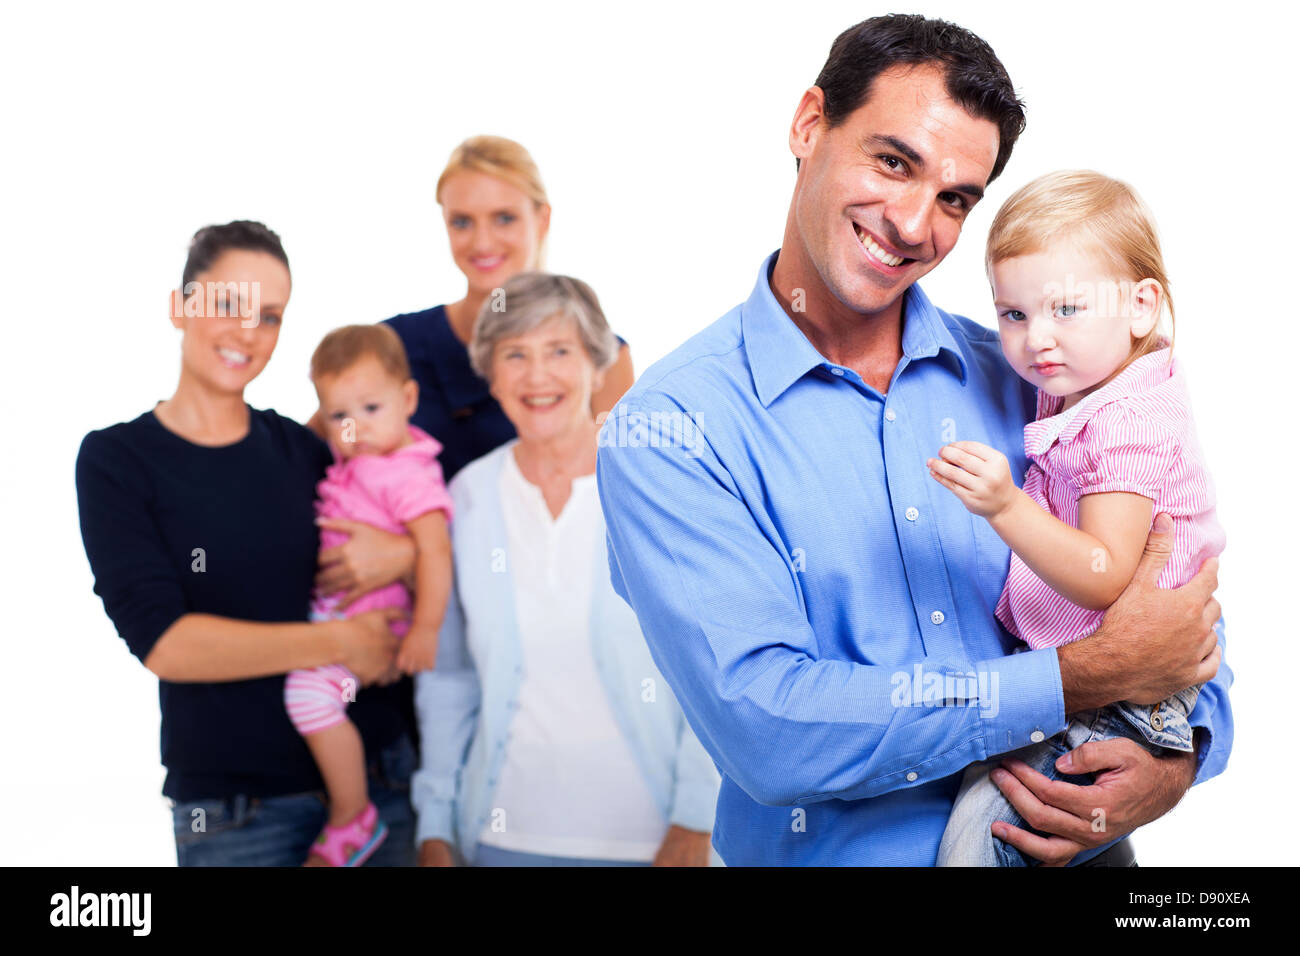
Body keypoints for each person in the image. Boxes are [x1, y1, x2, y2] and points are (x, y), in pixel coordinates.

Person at [596, 15, 1232, 866]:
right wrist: (1080, 677)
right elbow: (770, 727)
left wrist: (1179, 756)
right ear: (809, 125)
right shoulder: (669, 430)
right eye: (893, 162)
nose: (911, 223)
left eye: (954, 198)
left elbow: (1169, 598)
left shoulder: (1034, 378)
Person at [76, 221, 418, 866]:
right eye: (227, 303)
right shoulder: (118, 460)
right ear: (180, 307)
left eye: (270, 315)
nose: (247, 332)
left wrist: (406, 557)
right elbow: (169, 645)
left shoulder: (306, 450)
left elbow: (406, 532)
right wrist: (343, 642)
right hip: (237, 815)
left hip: (381, 786)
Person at [930, 171, 1225, 865]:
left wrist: (1005, 506)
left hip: (1115, 701)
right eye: (1014, 314)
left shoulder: (1126, 421)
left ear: (1141, 306)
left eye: (1067, 308)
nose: (1038, 340)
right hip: (1083, 682)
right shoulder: (1081, 385)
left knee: (975, 842)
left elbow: (1102, 574)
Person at [412, 272, 719, 867]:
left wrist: (698, 815)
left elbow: (711, 664)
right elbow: (450, 679)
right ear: (490, 372)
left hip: (655, 844)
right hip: (499, 840)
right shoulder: (468, 495)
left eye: (559, 351)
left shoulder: (655, 486)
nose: (537, 375)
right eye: (515, 354)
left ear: (596, 364)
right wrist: (435, 826)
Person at [285, 324, 454, 866]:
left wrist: (426, 628)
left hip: (378, 623)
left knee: (307, 697)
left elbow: (434, 552)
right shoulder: (362, 458)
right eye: (339, 416)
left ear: (409, 399)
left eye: (371, 408)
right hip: (341, 614)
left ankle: (351, 814)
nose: (354, 427)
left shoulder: (406, 475)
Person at [380, 135, 635, 481]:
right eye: (462, 222)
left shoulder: (601, 355)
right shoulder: (392, 345)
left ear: (542, 219)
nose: (483, 242)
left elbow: (624, 483)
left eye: (504, 218)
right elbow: (324, 443)